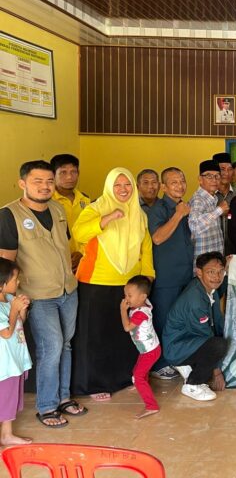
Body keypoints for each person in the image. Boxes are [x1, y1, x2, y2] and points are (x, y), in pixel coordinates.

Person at [0, 161, 85, 428]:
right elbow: (5, 265)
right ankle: (47, 406)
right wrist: (12, 302)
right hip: (37, 294)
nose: (45, 186)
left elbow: (63, 245)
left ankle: (63, 397)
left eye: (49, 181)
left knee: (67, 344)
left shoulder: (58, 209)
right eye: (38, 181)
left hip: (68, 290)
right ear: (22, 183)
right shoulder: (8, 215)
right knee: (51, 348)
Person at [71, 167, 154, 401]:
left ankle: (122, 378)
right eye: (117, 185)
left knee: (124, 335)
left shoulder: (139, 214)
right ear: (109, 187)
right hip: (95, 283)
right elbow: (79, 233)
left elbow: (145, 248)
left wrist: (147, 277)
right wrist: (107, 219)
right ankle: (95, 383)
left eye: (127, 184)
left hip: (128, 285)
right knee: (96, 336)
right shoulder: (95, 209)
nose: (123, 189)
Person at [147, 167, 193, 380]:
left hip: (184, 273)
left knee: (179, 319)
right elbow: (157, 237)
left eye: (182, 181)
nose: (180, 186)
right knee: (163, 319)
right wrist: (178, 214)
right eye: (174, 182)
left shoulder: (183, 206)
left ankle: (177, 358)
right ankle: (159, 364)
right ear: (163, 187)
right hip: (166, 275)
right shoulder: (160, 208)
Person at [163, 252, 228, 402]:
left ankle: (188, 367)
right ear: (199, 272)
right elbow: (207, 336)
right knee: (218, 345)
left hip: (188, 340)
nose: (217, 277)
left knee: (219, 341)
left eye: (221, 272)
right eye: (211, 272)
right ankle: (193, 384)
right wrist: (216, 373)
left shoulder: (208, 288)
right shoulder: (195, 301)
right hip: (177, 347)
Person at [0, 259, 32, 445]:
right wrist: (14, 310)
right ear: (2, 285)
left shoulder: (11, 299)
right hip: (4, 364)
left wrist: (22, 310)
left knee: (10, 398)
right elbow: (6, 333)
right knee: (3, 398)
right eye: (14, 279)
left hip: (15, 359)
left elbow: (20, 323)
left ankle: (6, 434)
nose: (18, 282)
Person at [119, 275, 161, 419]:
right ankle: (140, 384)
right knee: (139, 370)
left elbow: (127, 327)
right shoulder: (145, 304)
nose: (126, 299)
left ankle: (151, 406)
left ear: (143, 296)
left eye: (130, 295)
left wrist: (122, 311)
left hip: (149, 351)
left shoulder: (140, 314)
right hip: (150, 348)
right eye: (125, 295)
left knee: (138, 376)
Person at [50, 153, 90, 266]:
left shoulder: (85, 200)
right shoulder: (47, 201)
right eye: (63, 172)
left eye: (74, 172)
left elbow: (90, 232)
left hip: (82, 261)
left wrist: (81, 252)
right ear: (52, 174)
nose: (69, 177)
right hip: (55, 262)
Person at [189, 160, 229, 259]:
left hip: (213, 260)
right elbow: (194, 226)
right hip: (203, 263)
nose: (214, 180)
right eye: (209, 176)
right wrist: (219, 210)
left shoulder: (213, 198)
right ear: (200, 179)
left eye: (217, 176)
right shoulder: (198, 199)